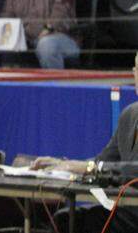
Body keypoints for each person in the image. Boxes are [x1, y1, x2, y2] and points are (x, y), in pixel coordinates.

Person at [36, 51, 138, 232]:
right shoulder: (129, 115)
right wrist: (63, 165)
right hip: (126, 208)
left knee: (89, 221)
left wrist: (91, 168)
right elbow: (102, 161)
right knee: (65, 219)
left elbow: (128, 169)